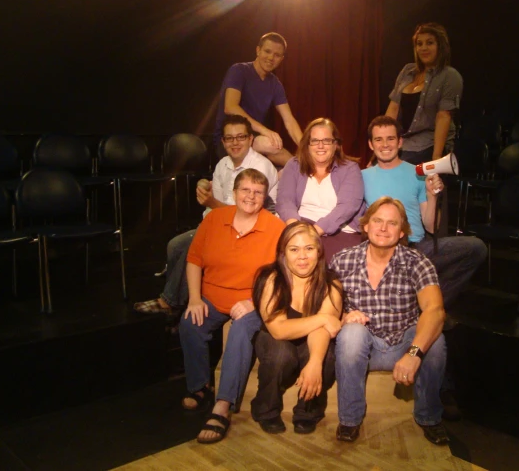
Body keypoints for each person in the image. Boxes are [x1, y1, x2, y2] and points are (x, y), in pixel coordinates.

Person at [362, 116, 487, 420]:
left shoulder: (416, 173)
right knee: (435, 324)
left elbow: (431, 225)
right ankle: (442, 389)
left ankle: (430, 306)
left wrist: (432, 196)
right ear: (370, 144)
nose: (385, 145)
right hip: (386, 251)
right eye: (378, 140)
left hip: (419, 247)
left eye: (390, 138)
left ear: (400, 141)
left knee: (474, 248)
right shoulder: (362, 176)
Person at [330, 197, 450, 445]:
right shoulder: (342, 260)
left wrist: (414, 353)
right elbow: (326, 311)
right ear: (365, 225)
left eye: (392, 223)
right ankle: (349, 420)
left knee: (435, 339)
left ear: (402, 231)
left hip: (404, 346)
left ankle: (429, 417)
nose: (383, 228)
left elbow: (435, 310)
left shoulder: (417, 262)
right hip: (362, 348)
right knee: (351, 332)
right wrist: (343, 317)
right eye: (377, 221)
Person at [178, 169, 285, 444]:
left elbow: (282, 276)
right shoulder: (215, 218)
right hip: (212, 297)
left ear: (264, 197)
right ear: (235, 193)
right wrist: (194, 298)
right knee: (190, 323)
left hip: (253, 302)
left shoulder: (275, 227)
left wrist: (254, 303)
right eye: (245, 190)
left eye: (258, 192)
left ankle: (222, 405)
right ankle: (199, 386)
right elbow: (194, 260)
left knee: (240, 331)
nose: (251, 196)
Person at [133, 115, 278, 315]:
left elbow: (246, 210)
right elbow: (217, 209)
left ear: (250, 139)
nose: (235, 143)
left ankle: (170, 302)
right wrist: (208, 213)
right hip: (221, 222)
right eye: (229, 138)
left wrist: (211, 204)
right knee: (175, 245)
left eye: (240, 137)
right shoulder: (222, 165)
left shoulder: (260, 167)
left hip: (248, 228)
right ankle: (181, 302)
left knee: (192, 248)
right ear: (223, 141)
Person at [250, 222, 343, 435]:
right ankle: (265, 408)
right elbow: (278, 330)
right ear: (283, 253)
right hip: (275, 340)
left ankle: (307, 412)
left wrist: (315, 363)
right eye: (294, 249)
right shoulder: (271, 278)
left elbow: (324, 330)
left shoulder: (331, 282)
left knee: (327, 356)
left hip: (311, 341)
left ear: (319, 252)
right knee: (281, 353)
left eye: (309, 249)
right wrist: (322, 318)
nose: (302, 256)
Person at [276, 118, 366, 260]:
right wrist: (296, 229)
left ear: (335, 144)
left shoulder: (350, 169)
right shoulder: (293, 165)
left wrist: (314, 232)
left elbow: (347, 207)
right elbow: (284, 200)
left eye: (326, 141)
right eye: (315, 141)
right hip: (299, 224)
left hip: (339, 230)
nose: (320, 146)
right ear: (308, 144)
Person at [213, 32, 303, 166]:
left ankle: (304, 169)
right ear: (258, 50)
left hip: (255, 141)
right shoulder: (239, 70)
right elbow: (230, 107)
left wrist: (306, 146)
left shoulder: (275, 83)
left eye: (277, 55)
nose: (271, 57)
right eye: (267, 51)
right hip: (231, 140)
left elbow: (289, 120)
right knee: (270, 143)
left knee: (273, 148)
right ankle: (302, 169)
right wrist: (265, 130)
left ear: (281, 59)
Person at [385, 23, 462, 165]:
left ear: (441, 46)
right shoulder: (407, 71)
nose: (424, 48)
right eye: (419, 44)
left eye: (430, 43)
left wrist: (436, 160)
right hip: (403, 142)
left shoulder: (450, 75)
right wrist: (383, 143)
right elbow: (393, 108)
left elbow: (443, 117)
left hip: (428, 144)